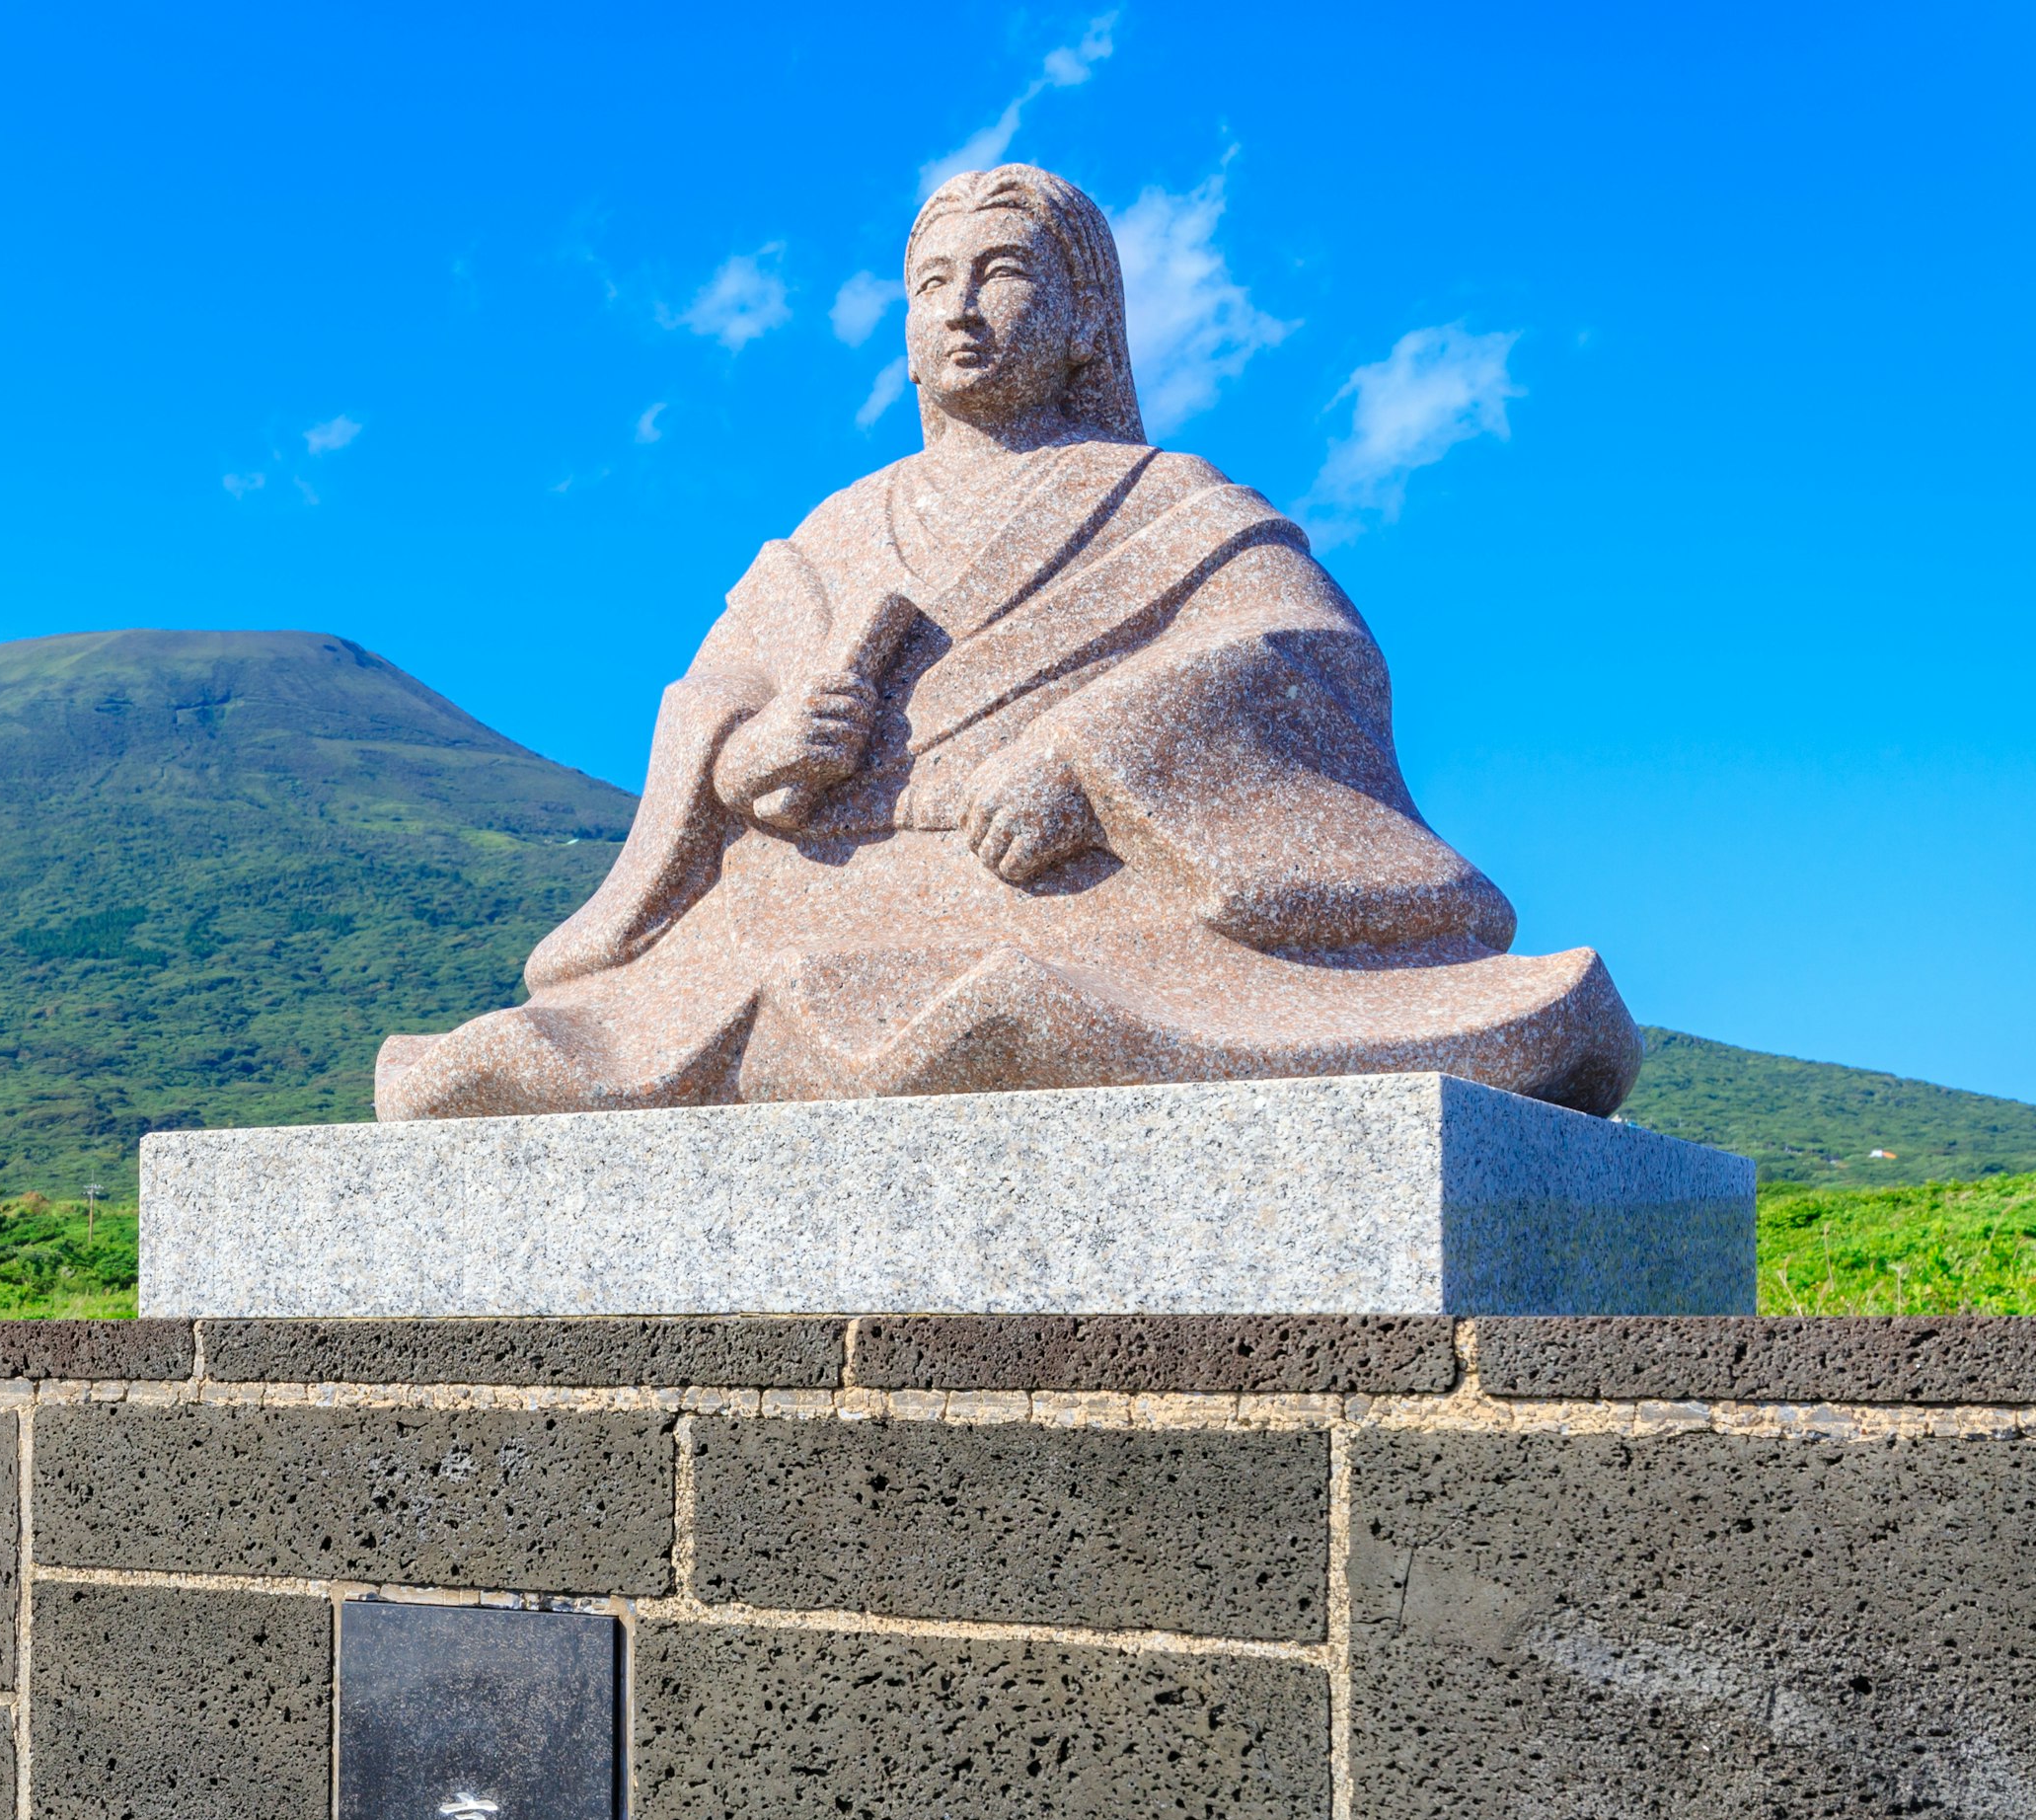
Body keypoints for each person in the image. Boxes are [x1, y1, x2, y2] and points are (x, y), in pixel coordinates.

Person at [375, 164, 1639, 1123]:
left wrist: (1094, 758)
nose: (963, 310)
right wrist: (754, 756)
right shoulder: (832, 534)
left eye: (1006, 273)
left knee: (1048, 1012)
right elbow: (710, 701)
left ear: (1088, 317)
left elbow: (1307, 659)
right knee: (489, 1075)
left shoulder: (1168, 504)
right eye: (933, 285)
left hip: (1074, 919)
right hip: (787, 922)